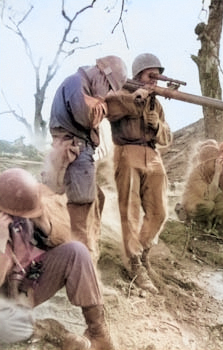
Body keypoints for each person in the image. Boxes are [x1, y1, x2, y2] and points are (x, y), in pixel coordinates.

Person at [0, 167, 115, 350]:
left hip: (27, 283)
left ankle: (98, 332)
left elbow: (64, 239)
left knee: (76, 251)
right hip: (4, 298)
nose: (20, 221)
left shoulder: (30, 215)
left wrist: (42, 222)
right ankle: (52, 332)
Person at [42, 55, 127, 265]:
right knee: (81, 212)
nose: (107, 92)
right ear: (101, 73)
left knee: (96, 199)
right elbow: (87, 117)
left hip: (77, 153)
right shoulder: (76, 83)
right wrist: (105, 106)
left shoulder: (83, 85)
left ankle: (82, 257)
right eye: (108, 86)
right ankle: (81, 263)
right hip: (76, 154)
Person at [105, 53, 173, 294]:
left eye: (157, 75)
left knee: (160, 211)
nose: (155, 80)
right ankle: (134, 263)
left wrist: (158, 126)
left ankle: (142, 252)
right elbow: (110, 109)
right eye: (150, 75)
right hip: (127, 152)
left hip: (152, 155)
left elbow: (167, 138)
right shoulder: (122, 92)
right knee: (130, 211)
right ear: (137, 75)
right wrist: (136, 99)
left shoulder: (157, 103)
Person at [177, 140, 223, 228]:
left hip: (207, 200)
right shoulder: (196, 174)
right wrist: (217, 174)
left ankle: (210, 218)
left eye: (217, 160)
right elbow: (209, 196)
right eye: (213, 161)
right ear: (205, 162)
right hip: (193, 204)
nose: (216, 163)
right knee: (209, 205)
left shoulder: (216, 169)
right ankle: (193, 220)